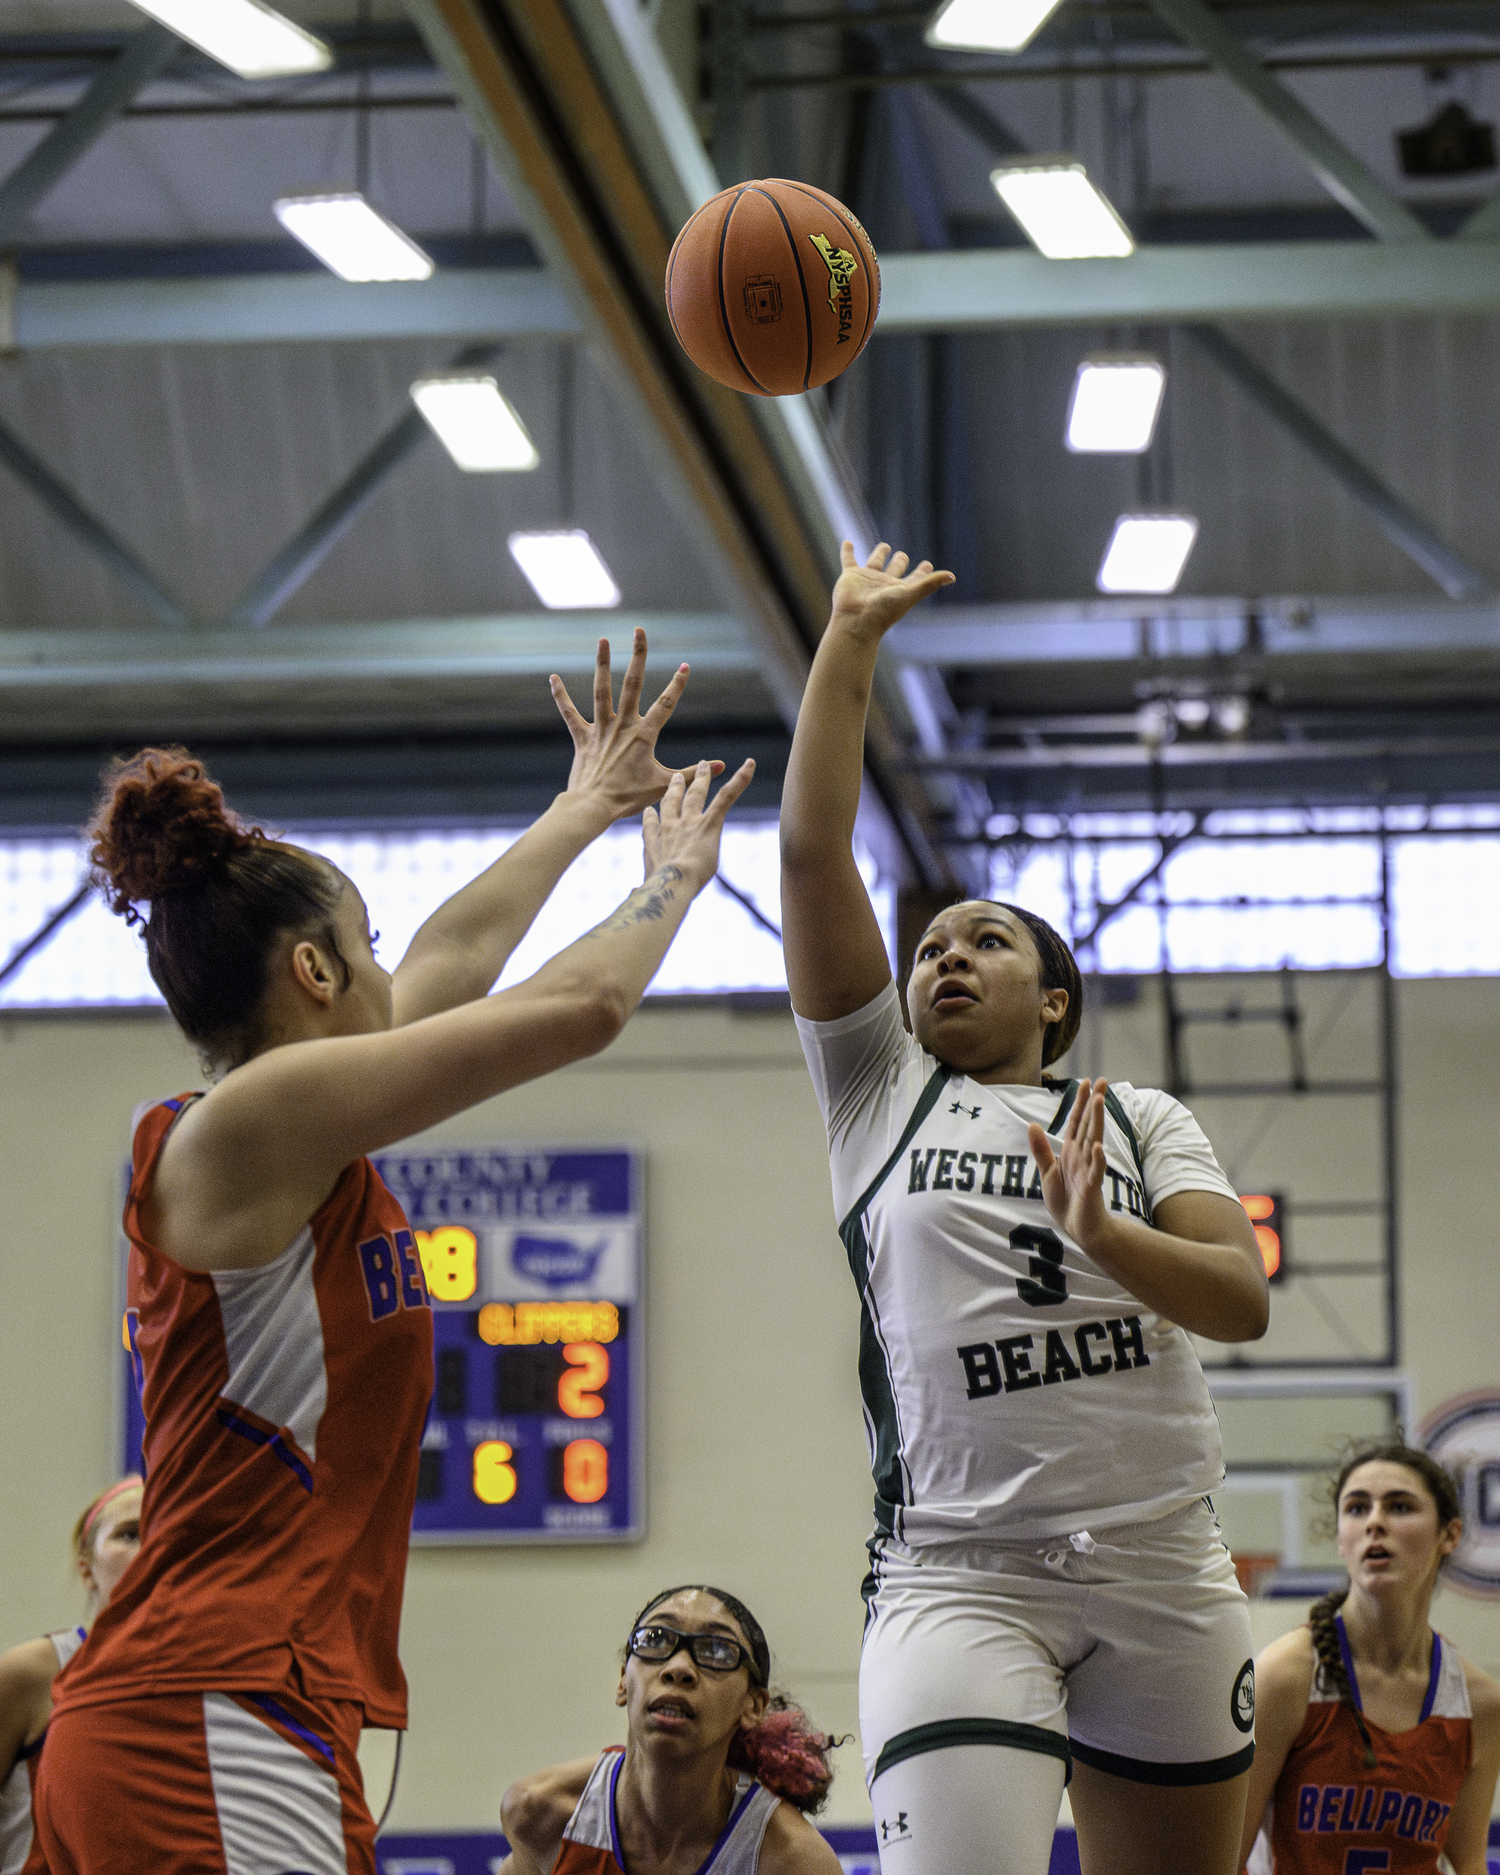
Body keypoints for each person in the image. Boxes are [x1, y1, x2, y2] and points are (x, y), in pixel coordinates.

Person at [34, 633, 754, 1875]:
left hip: (233, 1704)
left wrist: (581, 808)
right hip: (207, 1702)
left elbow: (454, 962)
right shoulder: (239, 1130)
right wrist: (674, 880)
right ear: (313, 972)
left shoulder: (291, 1138)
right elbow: (579, 1009)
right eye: (365, 946)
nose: (393, 967)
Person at [779, 541, 1272, 1875]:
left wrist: (1109, 1234)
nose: (947, 954)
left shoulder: (1141, 1115)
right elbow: (816, 848)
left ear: (1054, 998)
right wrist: (850, 642)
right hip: (962, 1567)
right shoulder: (877, 1092)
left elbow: (1240, 1300)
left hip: (1165, 1560)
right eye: (932, 943)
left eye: (985, 940)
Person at [1239, 1442, 1500, 1875]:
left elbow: (1469, 1864)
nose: (1375, 1522)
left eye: (1399, 1507)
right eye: (1357, 1508)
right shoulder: (1286, 1676)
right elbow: (1225, 1860)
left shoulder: (1479, 1703)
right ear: (1341, 1539)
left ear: (1449, 1536)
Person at [499, 1584, 844, 1875]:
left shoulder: (791, 1860)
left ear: (752, 1705)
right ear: (623, 1682)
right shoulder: (542, 1813)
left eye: (717, 1650)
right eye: (655, 1639)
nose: (679, 1668)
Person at [0, 1476, 143, 1875]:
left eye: (164, 1533)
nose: (149, 1550)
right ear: (87, 1569)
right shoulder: (29, 1672)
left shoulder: (207, 1686)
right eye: (129, 1535)